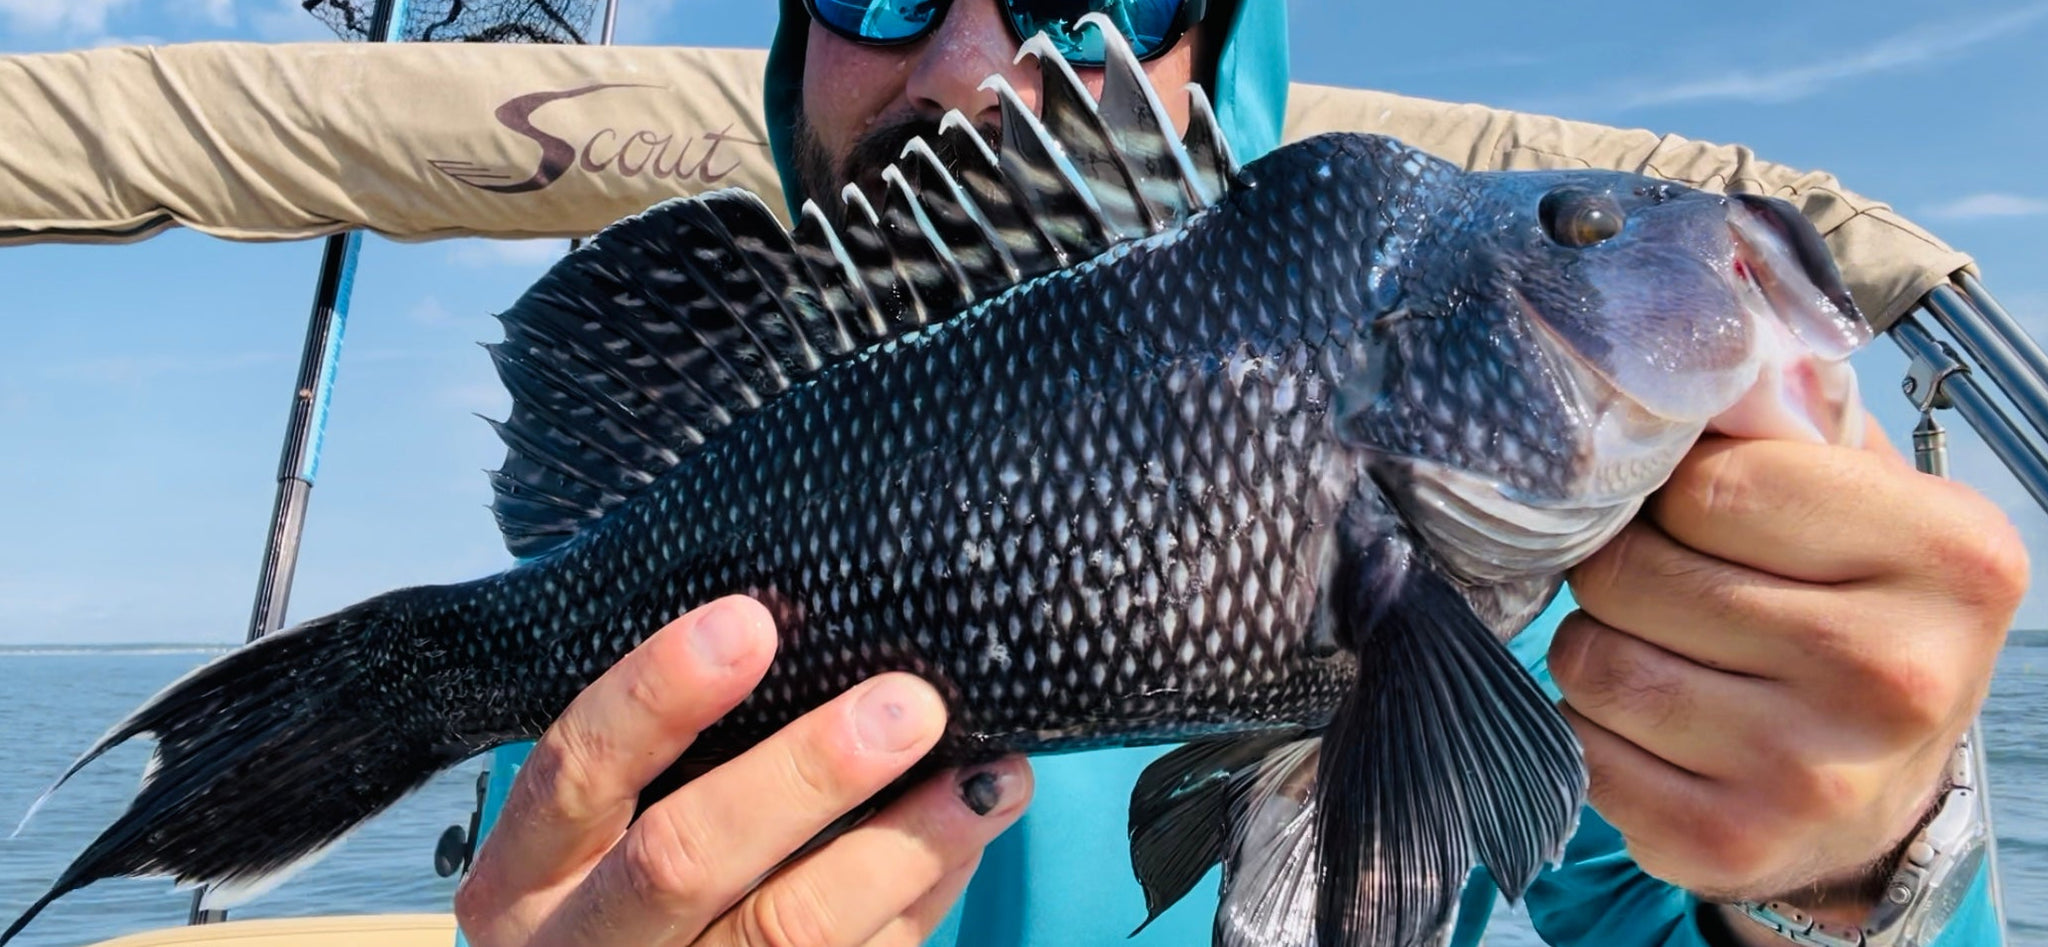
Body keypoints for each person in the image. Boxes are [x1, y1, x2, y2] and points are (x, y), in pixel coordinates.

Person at [450, 2, 2025, 945]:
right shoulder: (635, 654)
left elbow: (1679, 909)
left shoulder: (1575, 619)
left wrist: (1860, 865)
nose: (982, 70)